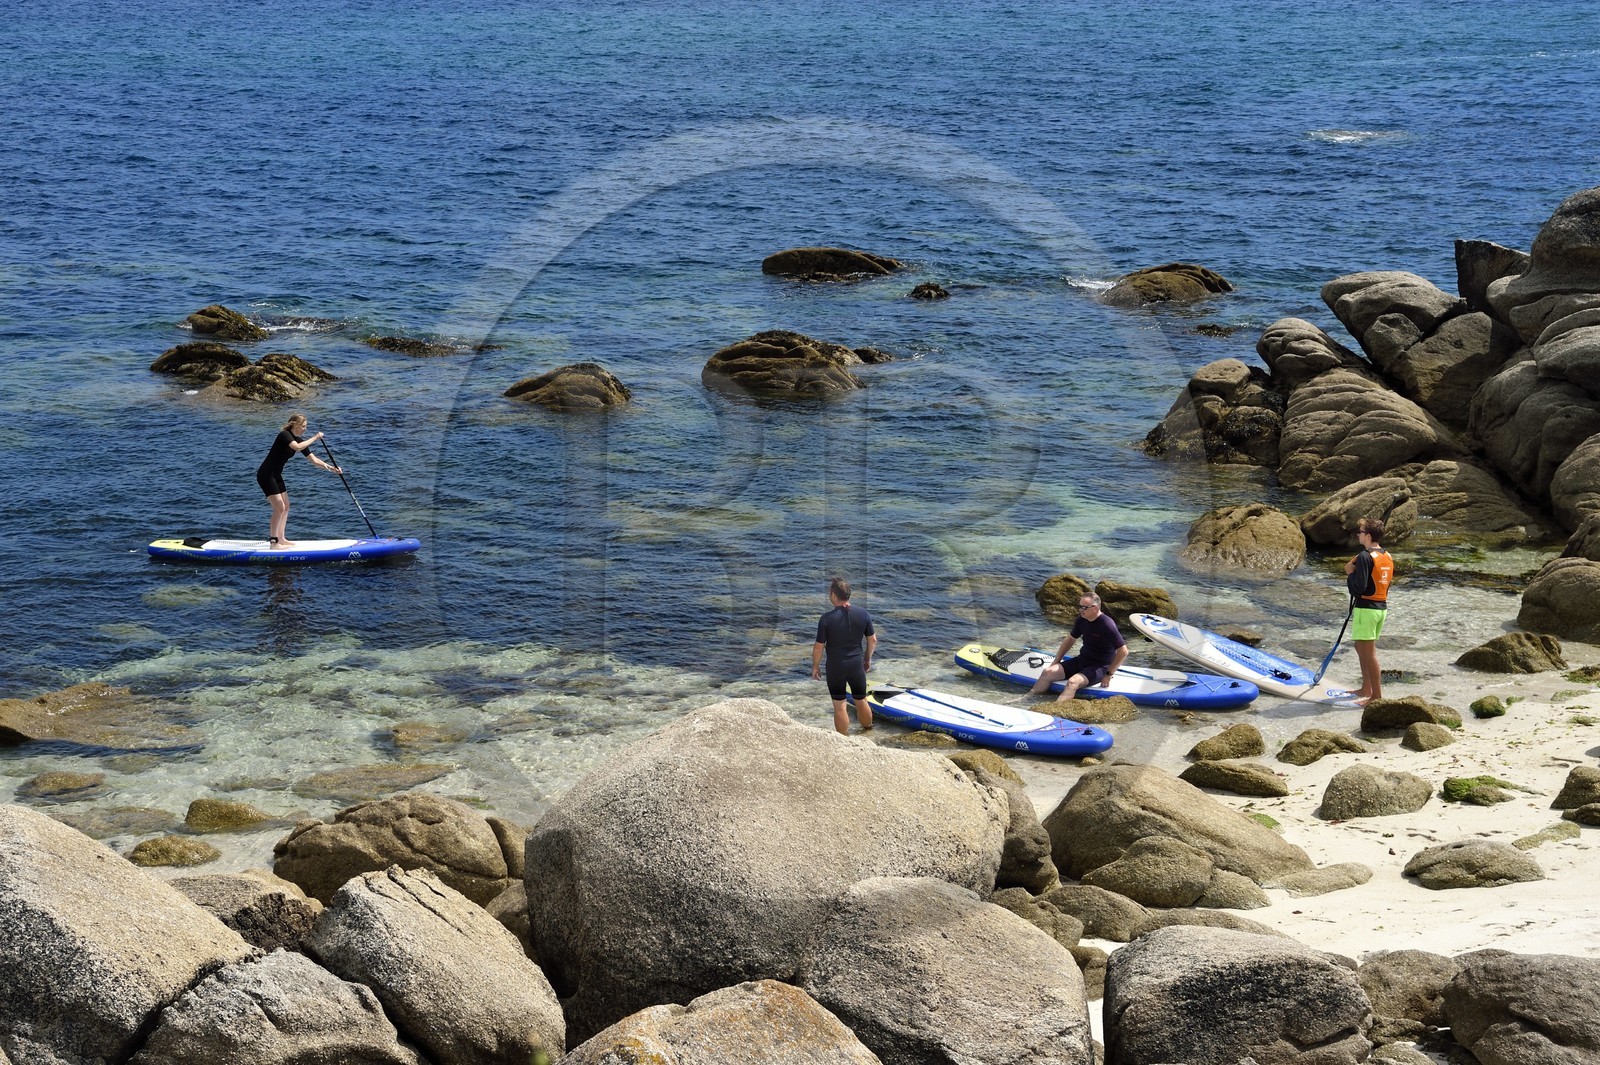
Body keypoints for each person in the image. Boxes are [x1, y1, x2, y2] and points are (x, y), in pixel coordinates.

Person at [256, 413, 341, 547]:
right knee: (279, 507)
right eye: (303, 426)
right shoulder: (284, 435)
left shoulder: (299, 440)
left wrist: (332, 468)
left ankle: (281, 538)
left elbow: (314, 460)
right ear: (295, 425)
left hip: (276, 475)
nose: (305, 429)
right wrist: (315, 437)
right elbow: (296, 447)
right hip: (266, 475)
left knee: (286, 506)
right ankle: (273, 542)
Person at [1028, 591, 1129, 702]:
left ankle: (1056, 711)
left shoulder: (1107, 624)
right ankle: (1028, 699)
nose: (1080, 610)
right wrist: (1057, 660)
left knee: (1072, 682)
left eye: (1083, 607)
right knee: (1048, 672)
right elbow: (1070, 639)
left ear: (1095, 608)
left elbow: (1123, 651)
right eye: (1079, 606)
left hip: (1100, 667)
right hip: (1082, 660)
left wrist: (1109, 674)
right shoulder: (1081, 620)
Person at [811, 576, 877, 735]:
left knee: (840, 705)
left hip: (836, 667)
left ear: (834, 594)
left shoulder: (826, 619)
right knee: (861, 700)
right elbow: (873, 639)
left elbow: (819, 646)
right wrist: (867, 658)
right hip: (856, 664)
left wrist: (815, 666)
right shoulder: (863, 614)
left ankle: (843, 739)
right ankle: (868, 732)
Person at [1344, 516, 1394, 704]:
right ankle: (1366, 687)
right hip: (1380, 608)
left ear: (1368, 536)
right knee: (1360, 647)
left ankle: (1376, 697)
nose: (1358, 534)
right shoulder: (1387, 555)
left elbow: (1358, 588)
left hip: (1367, 609)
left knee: (1369, 653)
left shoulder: (1365, 557)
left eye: (1361, 532)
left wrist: (1350, 573)